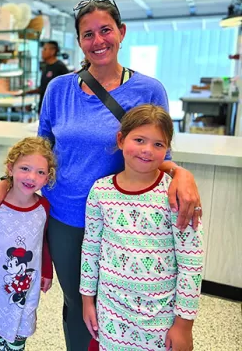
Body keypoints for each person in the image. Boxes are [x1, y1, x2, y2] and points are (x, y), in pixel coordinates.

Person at [0, 0, 202, 351]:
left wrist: (182, 174)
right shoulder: (59, 89)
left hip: (124, 219)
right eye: (88, 34)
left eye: (105, 30)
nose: (98, 41)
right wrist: (7, 182)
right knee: (79, 304)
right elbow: (41, 150)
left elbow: (160, 152)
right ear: (79, 40)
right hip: (66, 216)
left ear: (121, 32)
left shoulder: (148, 89)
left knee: (119, 304)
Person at [80, 104, 203, 351]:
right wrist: (87, 301)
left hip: (159, 318)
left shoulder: (176, 195)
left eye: (158, 144)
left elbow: (191, 262)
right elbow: (91, 249)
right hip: (111, 313)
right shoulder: (100, 191)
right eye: (139, 140)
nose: (148, 150)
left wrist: (183, 325)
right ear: (121, 139)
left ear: (167, 149)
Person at [0, 137, 56, 351]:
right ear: (10, 168)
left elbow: (43, 243)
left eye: (40, 172)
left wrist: (47, 272)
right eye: (25, 168)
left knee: (20, 332)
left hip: (27, 287)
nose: (31, 177)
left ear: (47, 178)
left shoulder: (44, 207)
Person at [27, 41, 69, 112]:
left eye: (45, 49)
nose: (42, 52)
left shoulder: (60, 67)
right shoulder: (46, 67)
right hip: (43, 109)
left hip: (55, 110)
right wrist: (27, 92)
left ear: (53, 51)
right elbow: (43, 88)